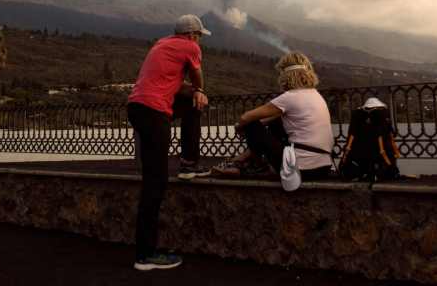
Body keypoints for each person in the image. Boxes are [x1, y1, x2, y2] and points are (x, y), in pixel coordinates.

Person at [126, 14, 212, 271]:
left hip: (138, 107)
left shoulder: (162, 44)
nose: (199, 40)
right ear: (191, 35)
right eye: (198, 35)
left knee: (190, 105)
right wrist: (200, 91)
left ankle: (188, 163)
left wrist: (191, 93)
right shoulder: (190, 47)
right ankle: (145, 255)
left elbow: (169, 81)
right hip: (153, 111)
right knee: (156, 182)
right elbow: (198, 79)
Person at [214, 51, 333, 181]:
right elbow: (268, 120)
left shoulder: (291, 97)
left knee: (251, 124)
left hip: (299, 169)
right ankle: (245, 160)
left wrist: (239, 128)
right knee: (275, 121)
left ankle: (257, 165)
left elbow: (246, 117)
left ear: (286, 76)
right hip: (323, 168)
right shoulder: (315, 95)